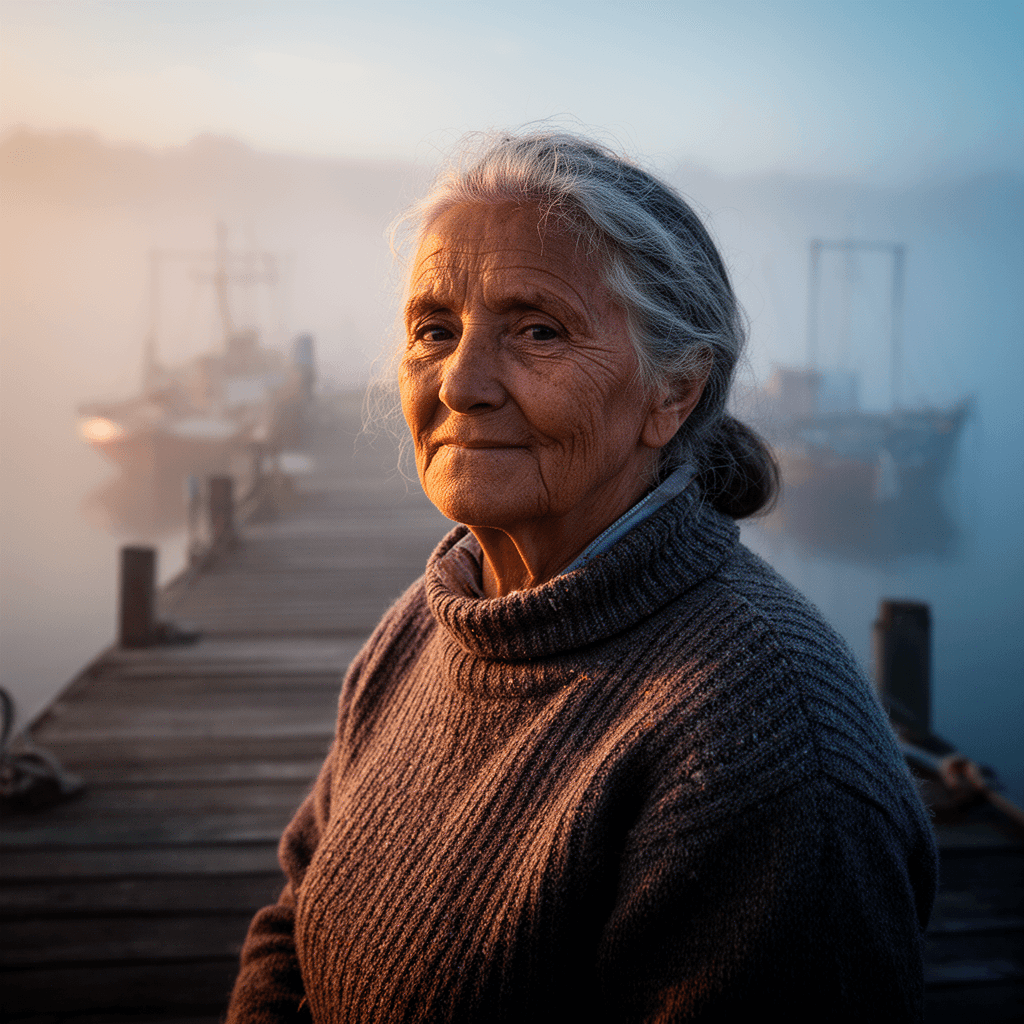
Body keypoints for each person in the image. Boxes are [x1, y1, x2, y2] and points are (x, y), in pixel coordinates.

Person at [227, 131, 937, 1022]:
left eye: (537, 330)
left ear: (672, 393)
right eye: (433, 330)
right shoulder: (434, 619)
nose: (461, 384)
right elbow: (293, 919)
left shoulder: (769, 758)